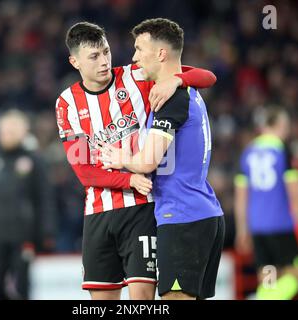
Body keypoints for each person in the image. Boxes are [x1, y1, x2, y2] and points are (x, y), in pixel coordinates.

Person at [55, 21, 216, 300]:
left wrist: (178, 79)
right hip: (98, 213)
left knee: (142, 299)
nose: (105, 61)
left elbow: (207, 77)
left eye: (106, 52)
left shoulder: (135, 76)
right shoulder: (66, 103)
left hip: (142, 208)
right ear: (75, 61)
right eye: (94, 56)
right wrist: (129, 178)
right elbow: (85, 173)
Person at [99, 18, 225, 300]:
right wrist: (179, 78)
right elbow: (208, 76)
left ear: (161, 53)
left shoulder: (173, 97)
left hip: (183, 217)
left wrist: (119, 157)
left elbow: (148, 162)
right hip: (201, 213)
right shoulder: (185, 90)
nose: (134, 57)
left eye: (139, 48)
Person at [234, 106, 298, 300]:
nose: (287, 131)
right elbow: (297, 193)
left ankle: (265, 296)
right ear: (278, 125)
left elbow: (241, 198)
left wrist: (242, 229)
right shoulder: (282, 150)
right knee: (297, 274)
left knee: (268, 277)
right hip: (281, 224)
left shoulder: (247, 153)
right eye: (285, 126)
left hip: (258, 226)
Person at [0, 109, 57, 300]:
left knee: (22, 286)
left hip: (24, 233)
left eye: (11, 131)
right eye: (3, 131)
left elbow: (44, 198)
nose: (6, 136)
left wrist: (46, 231)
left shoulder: (34, 161)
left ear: (23, 133)